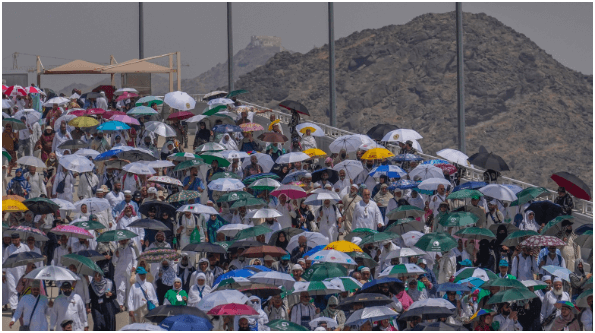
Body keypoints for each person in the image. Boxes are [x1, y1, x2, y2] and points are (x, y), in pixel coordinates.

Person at [3, 233, 28, 314]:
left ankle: (22, 307)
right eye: (13, 240)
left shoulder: (25, 247)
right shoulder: (8, 249)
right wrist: (3, 273)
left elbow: (30, 259)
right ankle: (14, 308)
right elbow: (5, 261)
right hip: (11, 272)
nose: (14, 241)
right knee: (12, 290)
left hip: (22, 272)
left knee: (22, 290)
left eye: (15, 240)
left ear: (19, 239)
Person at [112, 238, 137, 311]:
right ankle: (120, 305)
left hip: (129, 271)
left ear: (127, 240)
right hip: (119, 272)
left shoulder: (131, 249)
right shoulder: (117, 250)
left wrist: (134, 267)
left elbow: (135, 259)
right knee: (120, 288)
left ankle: (128, 305)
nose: (122, 242)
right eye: (121, 240)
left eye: (124, 240)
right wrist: (116, 256)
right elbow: (114, 262)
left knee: (129, 288)